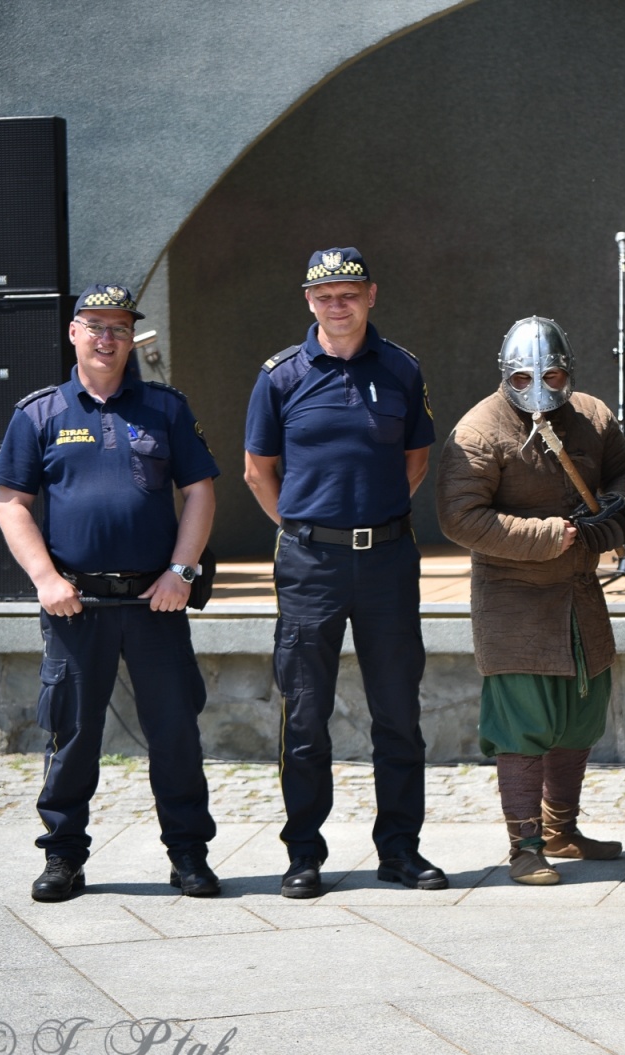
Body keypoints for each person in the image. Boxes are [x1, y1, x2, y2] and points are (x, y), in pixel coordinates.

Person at [0, 283, 219, 902]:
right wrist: (45, 580)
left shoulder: (167, 409)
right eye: (94, 325)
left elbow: (200, 491)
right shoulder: (38, 413)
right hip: (76, 606)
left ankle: (189, 856)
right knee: (71, 735)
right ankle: (64, 857)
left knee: (175, 733)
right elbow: (12, 505)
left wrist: (183, 572)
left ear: (131, 336)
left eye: (118, 327)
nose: (106, 337)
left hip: (156, 601)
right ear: (73, 332)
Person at [243, 247, 444, 897]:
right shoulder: (279, 376)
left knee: (397, 710)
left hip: (387, 559)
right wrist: (305, 528)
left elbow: (417, 456)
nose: (338, 304)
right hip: (311, 564)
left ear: (371, 295)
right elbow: (257, 470)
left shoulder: (402, 369)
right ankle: (303, 853)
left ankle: (401, 850)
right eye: (325, 294)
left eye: (349, 292)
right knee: (304, 713)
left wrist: (371, 521)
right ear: (308, 300)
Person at [436, 316, 625, 885]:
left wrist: (608, 516)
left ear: (568, 370)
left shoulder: (592, 416)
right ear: (506, 373)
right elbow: (459, 516)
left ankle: (561, 830)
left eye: (552, 374)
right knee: (523, 724)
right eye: (525, 376)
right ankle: (524, 846)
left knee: (580, 717)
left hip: (579, 597)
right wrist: (551, 535)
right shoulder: (479, 430)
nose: (541, 387)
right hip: (515, 605)